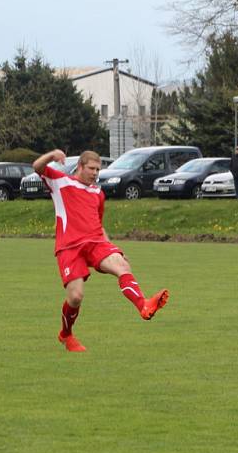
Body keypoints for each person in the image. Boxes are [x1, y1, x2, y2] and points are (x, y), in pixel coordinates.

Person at [32, 149, 169, 352]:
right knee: (76, 297)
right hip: (69, 246)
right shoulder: (60, 182)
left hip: (95, 242)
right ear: (80, 166)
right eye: (92, 168)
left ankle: (144, 305)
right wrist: (52, 155)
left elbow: (98, 224)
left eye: (98, 169)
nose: (96, 173)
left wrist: (112, 248)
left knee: (122, 265)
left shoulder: (98, 193)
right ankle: (66, 335)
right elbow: (37, 167)